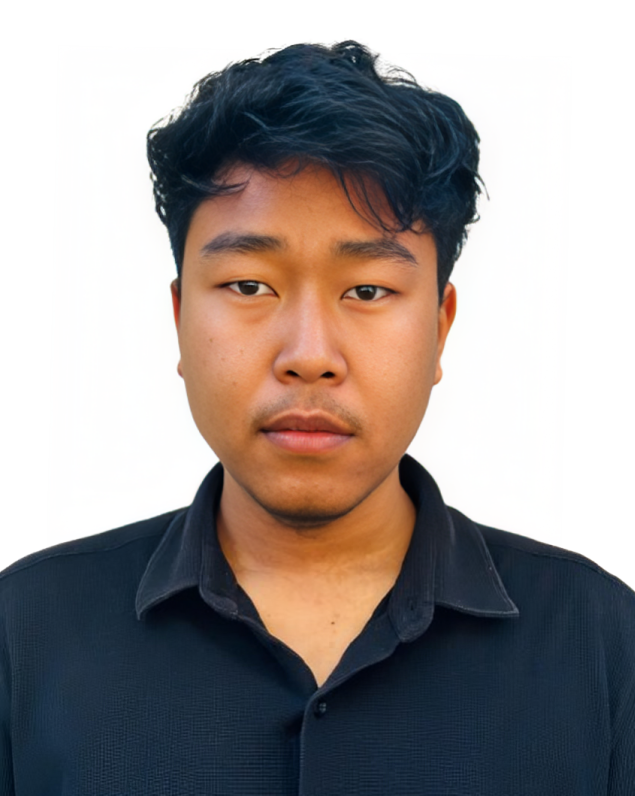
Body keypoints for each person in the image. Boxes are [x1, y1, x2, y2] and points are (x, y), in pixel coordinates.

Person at [1, 40, 633, 795]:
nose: (308, 356)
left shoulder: (601, 645)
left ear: (439, 328)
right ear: (179, 318)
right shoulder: (25, 635)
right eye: (248, 285)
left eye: (366, 291)